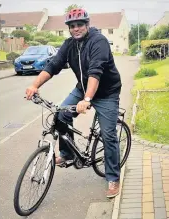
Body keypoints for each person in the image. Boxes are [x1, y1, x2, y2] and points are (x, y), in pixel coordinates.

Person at [26, 8, 122, 198]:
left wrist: (87, 100)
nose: (76, 29)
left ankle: (113, 177)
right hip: (83, 87)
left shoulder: (99, 41)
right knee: (61, 115)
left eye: (80, 25)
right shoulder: (70, 45)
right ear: (69, 28)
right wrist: (34, 85)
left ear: (87, 25)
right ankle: (68, 153)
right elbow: (53, 65)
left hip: (106, 93)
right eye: (72, 26)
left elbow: (96, 71)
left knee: (108, 135)